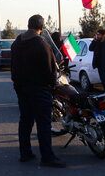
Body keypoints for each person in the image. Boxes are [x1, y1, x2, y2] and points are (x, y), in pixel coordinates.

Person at [11, 14, 66, 168]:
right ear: (41, 28)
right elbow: (50, 70)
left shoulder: (17, 42)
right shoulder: (41, 44)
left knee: (25, 120)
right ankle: (47, 156)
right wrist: (50, 86)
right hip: (39, 89)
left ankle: (25, 153)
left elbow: (13, 66)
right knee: (43, 123)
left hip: (21, 88)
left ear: (29, 25)